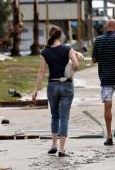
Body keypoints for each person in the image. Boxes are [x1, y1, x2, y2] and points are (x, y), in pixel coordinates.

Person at [32, 26, 79, 157]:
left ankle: (53, 145)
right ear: (60, 36)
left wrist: (35, 89)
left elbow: (41, 72)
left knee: (55, 115)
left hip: (52, 85)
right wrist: (71, 70)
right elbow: (76, 65)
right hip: (66, 85)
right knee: (64, 118)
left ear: (50, 36)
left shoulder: (44, 52)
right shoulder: (67, 49)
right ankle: (62, 149)